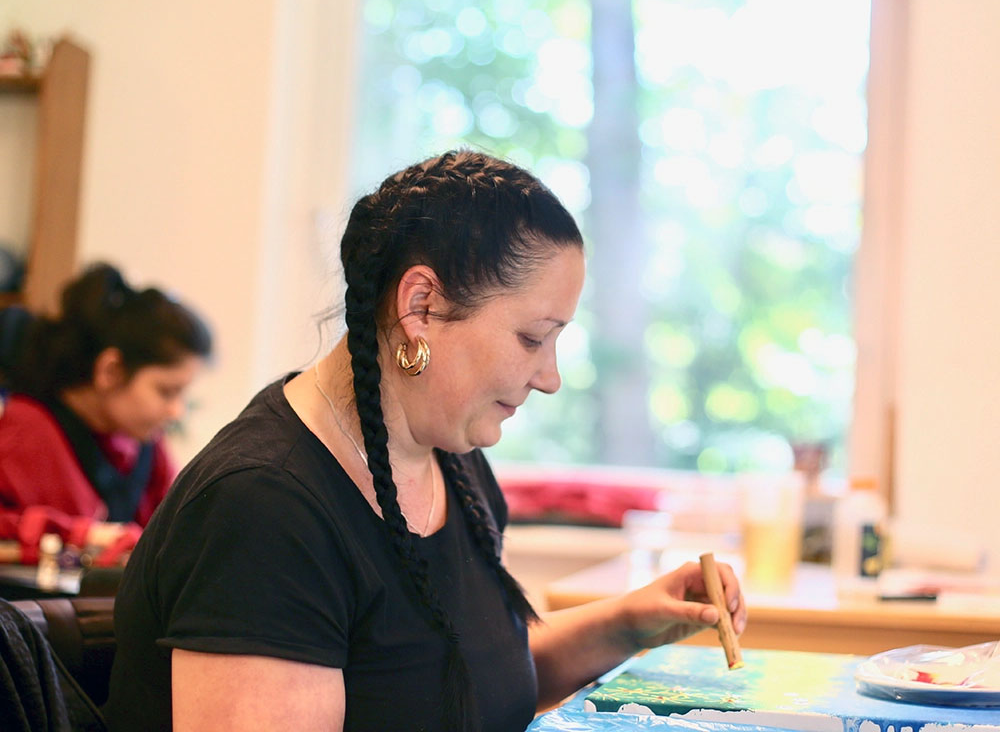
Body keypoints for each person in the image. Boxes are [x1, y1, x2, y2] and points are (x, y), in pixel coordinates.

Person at [104, 150, 746, 732]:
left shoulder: (450, 462)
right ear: (421, 306)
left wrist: (631, 621)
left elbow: (464, 676)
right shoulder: (262, 510)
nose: (550, 377)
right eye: (532, 338)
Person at [0, 263, 212, 564]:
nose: (176, 411)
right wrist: (79, 535)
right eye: (166, 391)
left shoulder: (143, 445)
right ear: (110, 370)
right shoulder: (27, 429)